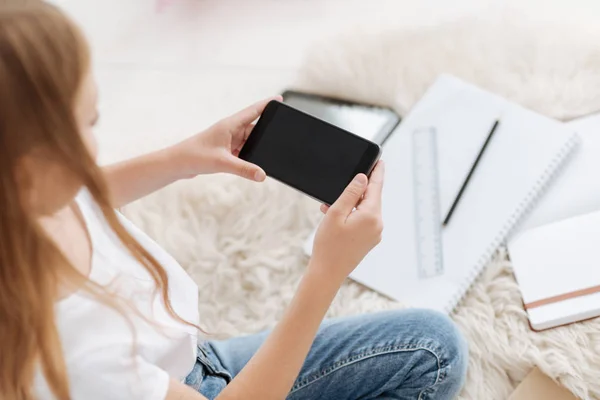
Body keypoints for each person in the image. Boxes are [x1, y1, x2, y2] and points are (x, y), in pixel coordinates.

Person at [0, 2, 468, 399]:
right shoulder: (76, 354)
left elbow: (84, 196)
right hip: (195, 386)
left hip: (179, 361)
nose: (94, 141)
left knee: (429, 341)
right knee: (436, 356)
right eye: (89, 122)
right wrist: (327, 272)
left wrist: (183, 157)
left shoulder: (21, 201)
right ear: (31, 170)